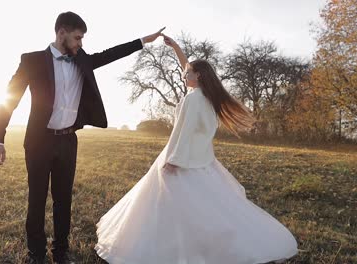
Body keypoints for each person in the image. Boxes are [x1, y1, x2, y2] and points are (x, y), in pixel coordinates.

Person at [94, 34, 299, 264]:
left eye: (187, 73)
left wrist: (174, 159)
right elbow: (187, 69)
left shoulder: (194, 100)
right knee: (206, 206)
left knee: (171, 206)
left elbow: (184, 131)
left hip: (182, 158)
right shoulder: (205, 97)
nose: (183, 75)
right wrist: (176, 49)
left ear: (198, 76)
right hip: (202, 160)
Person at [0, 11, 164, 264]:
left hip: (68, 141)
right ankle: (35, 253)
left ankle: (61, 252)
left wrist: (142, 41)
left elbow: (111, 54)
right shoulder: (32, 60)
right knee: (36, 198)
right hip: (39, 141)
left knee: (63, 200)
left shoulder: (81, 60)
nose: (81, 43)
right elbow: (10, 99)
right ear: (61, 33)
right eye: (78, 38)